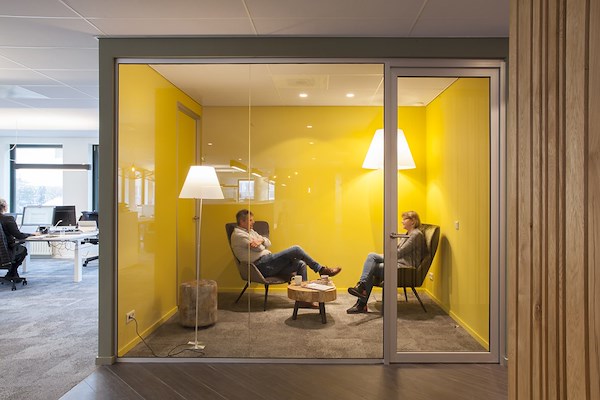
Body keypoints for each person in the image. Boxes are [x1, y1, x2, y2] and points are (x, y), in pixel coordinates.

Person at [346, 210, 426, 314]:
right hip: (397, 261)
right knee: (372, 264)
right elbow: (396, 250)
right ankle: (361, 292)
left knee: (371, 257)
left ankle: (361, 296)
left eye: (404, 219)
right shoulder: (408, 234)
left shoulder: (416, 234)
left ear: (413, 221)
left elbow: (399, 253)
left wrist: (388, 251)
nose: (402, 221)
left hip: (404, 267)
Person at [230, 209, 341, 282]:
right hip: (259, 267)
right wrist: (261, 242)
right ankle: (321, 269)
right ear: (242, 222)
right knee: (296, 249)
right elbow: (260, 248)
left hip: (268, 262)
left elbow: (268, 243)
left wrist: (261, 239)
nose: (253, 222)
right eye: (250, 220)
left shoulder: (251, 231)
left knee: (301, 264)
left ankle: (303, 299)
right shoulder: (239, 235)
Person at [0, 198, 38, 279]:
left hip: (2, 252)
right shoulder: (8, 219)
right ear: (4, 207)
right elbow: (19, 236)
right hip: (4, 253)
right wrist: (31, 234)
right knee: (23, 250)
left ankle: (11, 273)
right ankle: (12, 272)